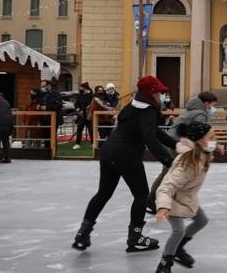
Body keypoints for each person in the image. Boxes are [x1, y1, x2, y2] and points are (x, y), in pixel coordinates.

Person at [72, 76, 179, 253]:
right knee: (142, 195)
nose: (161, 95)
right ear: (151, 93)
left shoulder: (133, 105)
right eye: (159, 92)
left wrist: (176, 145)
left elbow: (154, 132)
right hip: (127, 155)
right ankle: (135, 236)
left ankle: (83, 232)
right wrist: (169, 161)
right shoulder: (148, 111)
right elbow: (150, 138)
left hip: (108, 152)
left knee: (103, 193)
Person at [154, 121, 223, 273]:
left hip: (187, 197)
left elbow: (208, 148)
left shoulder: (201, 152)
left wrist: (216, 147)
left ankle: (178, 247)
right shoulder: (188, 162)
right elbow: (166, 186)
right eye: (211, 138)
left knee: (201, 220)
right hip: (172, 200)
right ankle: (165, 264)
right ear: (198, 140)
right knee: (178, 231)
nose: (214, 140)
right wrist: (164, 207)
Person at [148, 92, 219, 213]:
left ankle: (156, 201)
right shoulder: (200, 113)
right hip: (176, 144)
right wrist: (215, 146)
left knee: (169, 173)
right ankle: (154, 202)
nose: (212, 108)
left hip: (173, 142)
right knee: (169, 174)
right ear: (206, 103)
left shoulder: (192, 110)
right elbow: (200, 133)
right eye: (212, 105)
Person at [73, 82, 94, 150]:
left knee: (91, 130)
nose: (80, 88)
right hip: (81, 116)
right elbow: (76, 104)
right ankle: (77, 144)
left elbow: (91, 105)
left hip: (89, 116)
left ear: (85, 87)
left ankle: (93, 143)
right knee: (79, 129)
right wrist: (78, 109)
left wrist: (84, 110)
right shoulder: (79, 95)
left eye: (81, 87)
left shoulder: (91, 95)